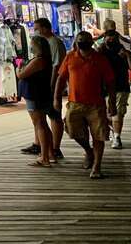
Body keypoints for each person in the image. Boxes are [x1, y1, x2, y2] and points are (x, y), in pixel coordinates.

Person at [54, 31, 116, 179]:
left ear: (91, 42)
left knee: (98, 136)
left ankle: (97, 166)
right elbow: (61, 78)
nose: (83, 42)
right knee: (72, 130)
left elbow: (110, 82)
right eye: (81, 39)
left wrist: (112, 102)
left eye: (86, 39)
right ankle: (89, 151)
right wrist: (56, 98)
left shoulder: (99, 59)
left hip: (96, 104)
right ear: (76, 41)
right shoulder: (70, 57)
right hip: (75, 103)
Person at [21, 18, 66, 161]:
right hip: (45, 88)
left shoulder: (54, 43)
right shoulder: (45, 49)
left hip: (49, 87)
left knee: (48, 118)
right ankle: (44, 147)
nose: (36, 31)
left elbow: (56, 67)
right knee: (43, 121)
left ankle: (53, 149)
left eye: (37, 28)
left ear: (45, 28)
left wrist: (53, 86)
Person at [16, 35, 53, 167]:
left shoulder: (38, 60)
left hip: (34, 95)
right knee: (42, 124)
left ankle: (44, 157)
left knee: (39, 124)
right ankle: (49, 154)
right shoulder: (44, 60)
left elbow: (22, 74)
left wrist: (18, 67)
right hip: (39, 94)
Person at [99, 29, 131, 149]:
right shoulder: (100, 51)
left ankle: (117, 137)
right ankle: (113, 131)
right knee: (107, 114)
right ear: (104, 38)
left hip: (120, 86)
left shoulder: (123, 51)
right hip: (103, 87)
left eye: (113, 38)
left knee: (118, 113)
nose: (111, 40)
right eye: (108, 38)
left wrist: (127, 55)